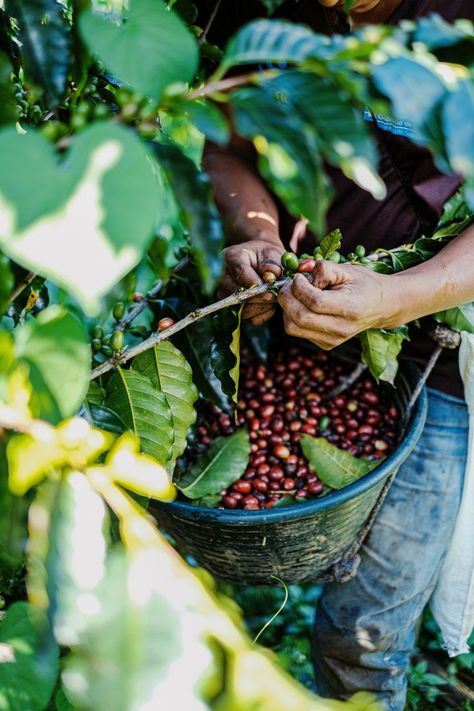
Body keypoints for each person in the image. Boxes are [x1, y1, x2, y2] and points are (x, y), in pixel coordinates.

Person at [201, 1, 474, 709]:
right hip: (307, 319)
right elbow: (223, 133)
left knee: (365, 632)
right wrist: (256, 233)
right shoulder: (256, 9)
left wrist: (399, 298)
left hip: (445, 352)